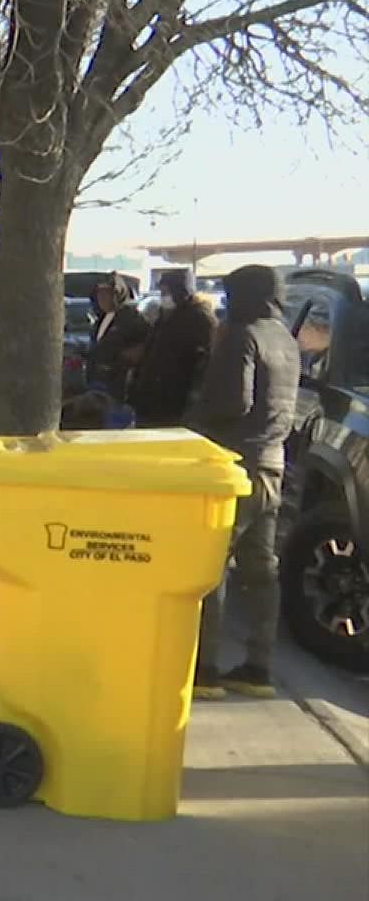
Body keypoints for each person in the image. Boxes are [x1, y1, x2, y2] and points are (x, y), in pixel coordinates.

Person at [191, 265, 299, 700]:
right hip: (274, 462)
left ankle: (205, 670)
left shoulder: (243, 335)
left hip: (234, 466)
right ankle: (258, 667)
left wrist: (194, 419)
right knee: (261, 569)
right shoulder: (286, 339)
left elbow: (233, 401)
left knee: (211, 566)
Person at [128, 270, 218, 425]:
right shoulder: (165, 315)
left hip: (176, 401)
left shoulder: (199, 318)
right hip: (152, 399)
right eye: (162, 292)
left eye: (167, 292)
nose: (164, 297)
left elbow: (204, 361)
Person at [86, 272, 149, 401]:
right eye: (99, 294)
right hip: (97, 381)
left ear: (118, 294)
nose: (102, 298)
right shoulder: (101, 319)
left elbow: (142, 348)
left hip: (118, 385)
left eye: (107, 293)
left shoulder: (132, 319)